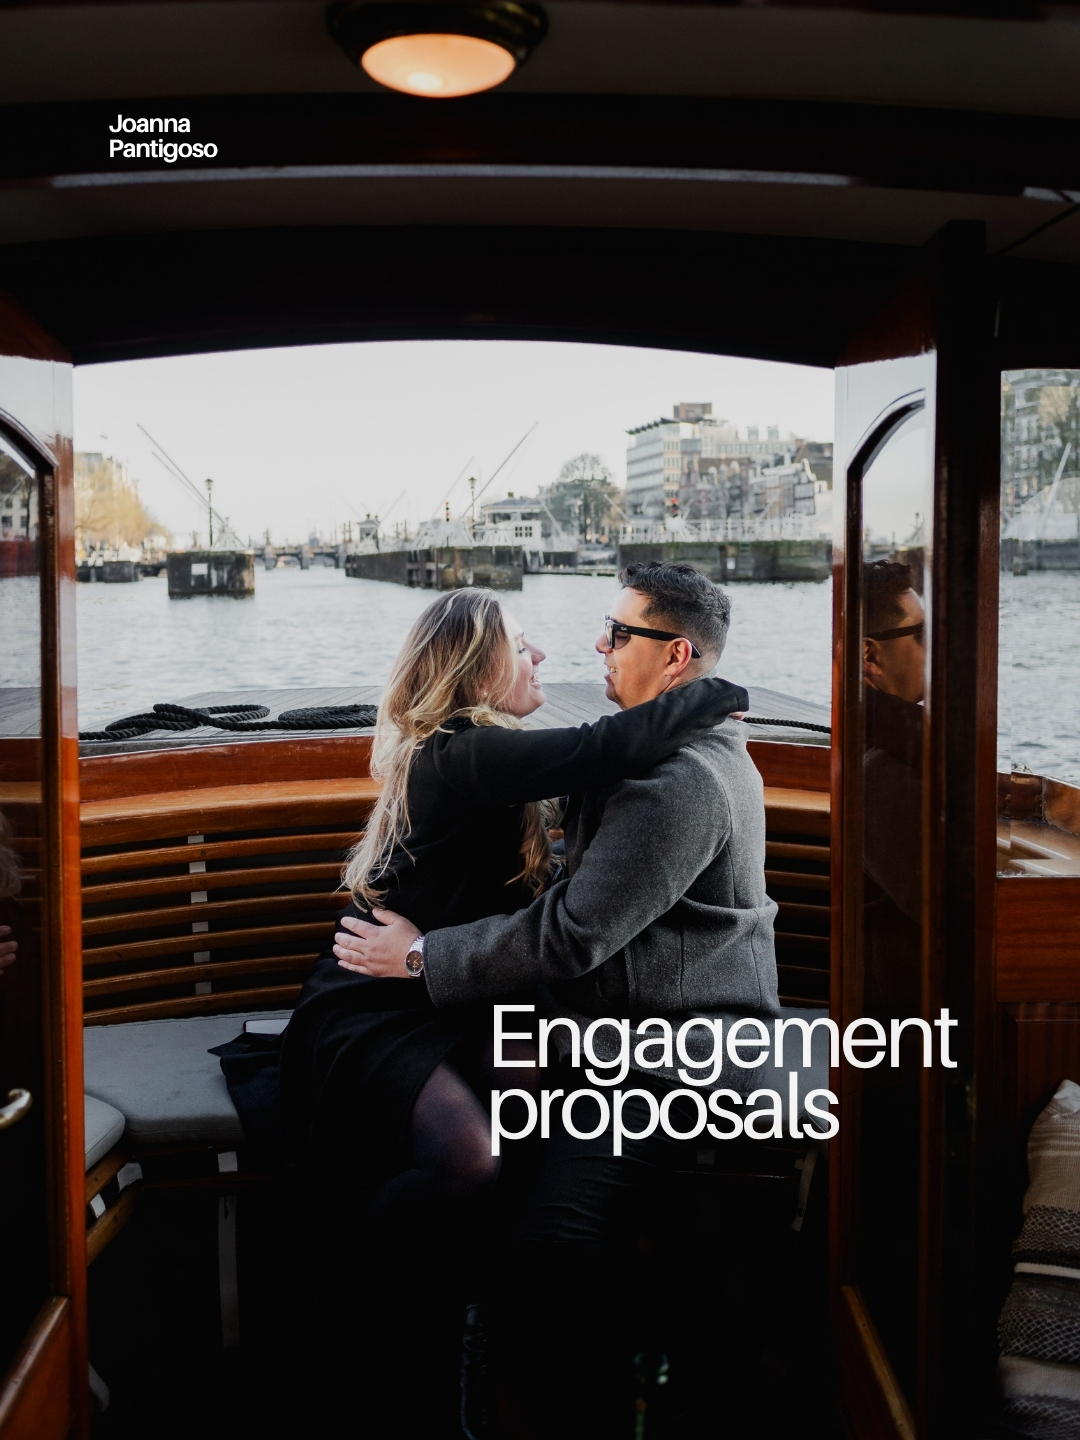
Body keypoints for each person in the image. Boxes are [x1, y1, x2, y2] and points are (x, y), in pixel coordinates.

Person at [277, 584, 747, 1434]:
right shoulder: (464, 751)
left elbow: (588, 799)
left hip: (455, 996)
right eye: (524, 644)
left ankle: (473, 1347)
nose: (562, 655)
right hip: (382, 996)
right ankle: (370, 1316)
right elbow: (604, 750)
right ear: (479, 667)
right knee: (479, 1160)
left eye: (616, 635)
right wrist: (715, 691)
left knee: (527, 1153)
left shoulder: (545, 759)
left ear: (670, 651)